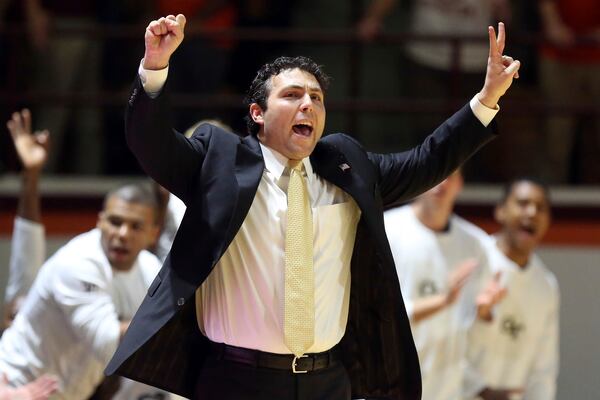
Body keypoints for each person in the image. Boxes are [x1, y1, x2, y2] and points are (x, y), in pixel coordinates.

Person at [106, 13, 520, 400]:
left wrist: (486, 99)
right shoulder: (220, 159)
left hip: (327, 380)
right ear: (258, 114)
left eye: (317, 98)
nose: (308, 104)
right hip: (234, 379)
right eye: (292, 95)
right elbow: (152, 145)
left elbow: (425, 162)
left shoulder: (347, 165)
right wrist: (155, 68)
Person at [0, 180, 162, 399]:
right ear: (100, 221)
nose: (123, 234)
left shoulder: (150, 270)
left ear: (153, 234)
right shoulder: (78, 262)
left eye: (136, 226)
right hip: (16, 385)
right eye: (115, 222)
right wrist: (167, 322)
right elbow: (107, 343)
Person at [383, 170, 509, 400]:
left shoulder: (476, 244)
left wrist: (485, 311)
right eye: (436, 171)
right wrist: (443, 301)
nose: (442, 183)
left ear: (460, 184)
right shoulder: (387, 230)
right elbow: (377, 315)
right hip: (392, 382)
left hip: (447, 388)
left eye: (450, 175)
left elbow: (477, 331)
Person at [465, 178, 559, 399]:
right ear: (500, 211)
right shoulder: (472, 260)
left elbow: (543, 370)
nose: (532, 212)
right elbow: (443, 340)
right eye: (523, 203)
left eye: (541, 207)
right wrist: (480, 389)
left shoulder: (546, 286)